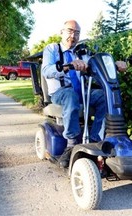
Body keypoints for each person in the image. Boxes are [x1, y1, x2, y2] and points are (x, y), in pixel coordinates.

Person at [42, 20, 127, 168]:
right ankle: (71, 144)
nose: (73, 35)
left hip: (81, 91)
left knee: (104, 96)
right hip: (60, 93)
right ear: (61, 32)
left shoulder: (83, 52)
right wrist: (68, 66)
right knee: (70, 96)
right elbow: (46, 71)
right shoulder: (52, 49)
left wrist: (114, 64)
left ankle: (95, 139)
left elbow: (98, 66)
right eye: (69, 31)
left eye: (76, 32)